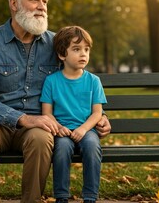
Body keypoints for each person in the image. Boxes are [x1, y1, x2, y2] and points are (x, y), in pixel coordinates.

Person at [0, 0, 111, 203]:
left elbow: (75, 81)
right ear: (14, 3)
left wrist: (101, 116)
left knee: (42, 138)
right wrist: (24, 118)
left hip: (39, 126)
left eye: (45, 1)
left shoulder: (57, 44)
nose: (42, 7)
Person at [40, 26, 106, 203]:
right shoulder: (51, 81)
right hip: (62, 131)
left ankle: (90, 197)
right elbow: (47, 113)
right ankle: (61, 196)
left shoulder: (93, 81)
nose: (83, 54)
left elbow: (97, 113)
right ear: (62, 55)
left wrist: (84, 130)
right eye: (76, 49)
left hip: (87, 130)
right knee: (61, 150)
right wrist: (59, 128)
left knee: (92, 147)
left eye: (86, 49)